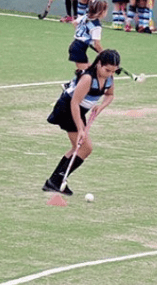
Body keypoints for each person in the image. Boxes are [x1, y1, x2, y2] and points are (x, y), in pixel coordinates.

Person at [43, 49, 120, 196]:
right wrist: (80, 128)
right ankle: (55, 181)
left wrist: (100, 106)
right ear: (99, 64)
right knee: (85, 148)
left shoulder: (109, 79)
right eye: (107, 70)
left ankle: (55, 181)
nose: (110, 74)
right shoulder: (88, 79)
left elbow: (110, 95)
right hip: (67, 109)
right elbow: (74, 102)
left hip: (78, 111)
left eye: (113, 71)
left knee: (78, 148)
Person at [68, 0, 108, 81]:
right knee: (87, 75)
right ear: (102, 12)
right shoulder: (96, 26)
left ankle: (74, 82)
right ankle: (70, 86)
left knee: (88, 71)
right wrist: (103, 54)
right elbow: (96, 44)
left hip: (76, 46)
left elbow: (74, 22)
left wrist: (82, 36)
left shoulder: (86, 16)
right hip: (79, 49)